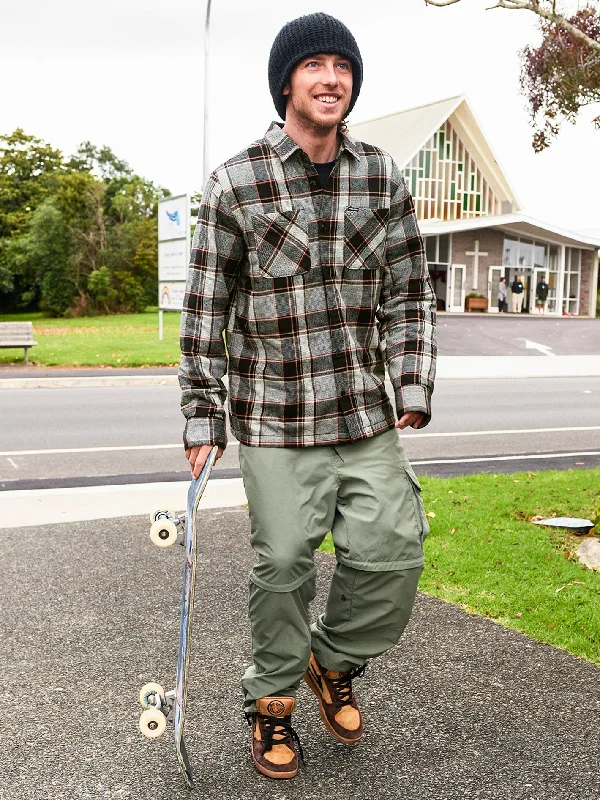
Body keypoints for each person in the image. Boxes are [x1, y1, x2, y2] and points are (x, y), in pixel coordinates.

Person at [178, 12, 436, 780]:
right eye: (315, 65)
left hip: (363, 409)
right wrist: (203, 414)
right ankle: (272, 707)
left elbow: (412, 295)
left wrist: (411, 380)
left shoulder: (381, 175)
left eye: (343, 66)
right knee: (285, 562)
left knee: (395, 553)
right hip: (274, 414)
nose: (332, 78)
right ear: (286, 82)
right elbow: (204, 314)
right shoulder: (236, 181)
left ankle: (330, 661)